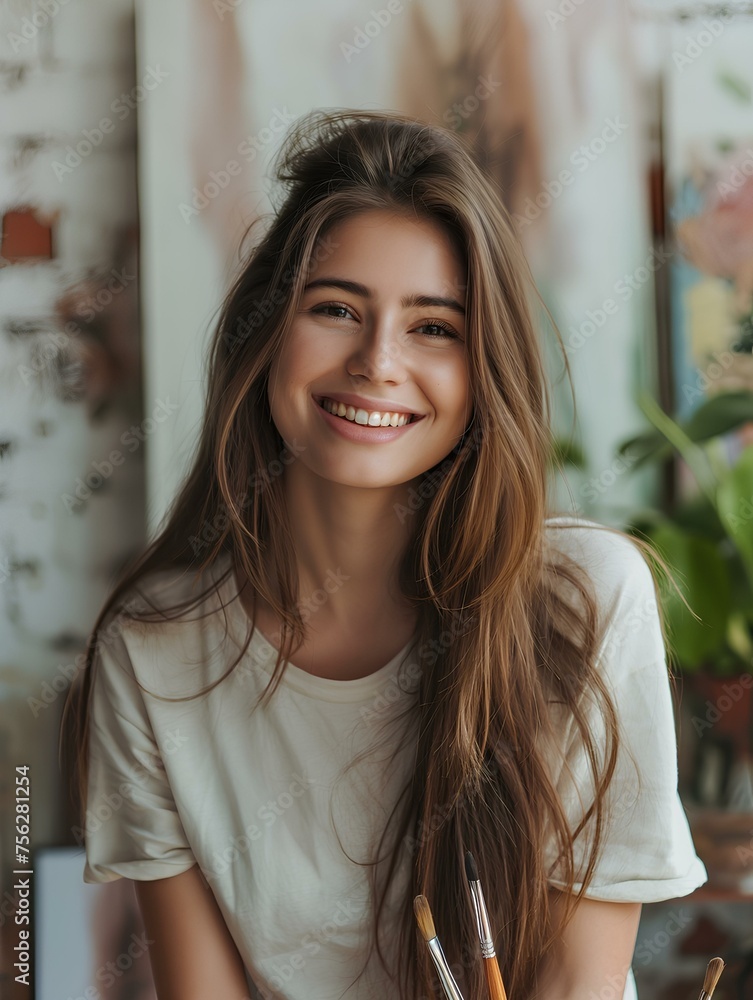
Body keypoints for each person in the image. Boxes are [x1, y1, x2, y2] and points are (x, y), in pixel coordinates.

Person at [62, 109, 707, 1000]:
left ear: (485, 370)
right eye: (335, 309)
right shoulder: (152, 649)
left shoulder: (585, 599)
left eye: (433, 327)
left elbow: (576, 983)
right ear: (264, 332)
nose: (376, 362)